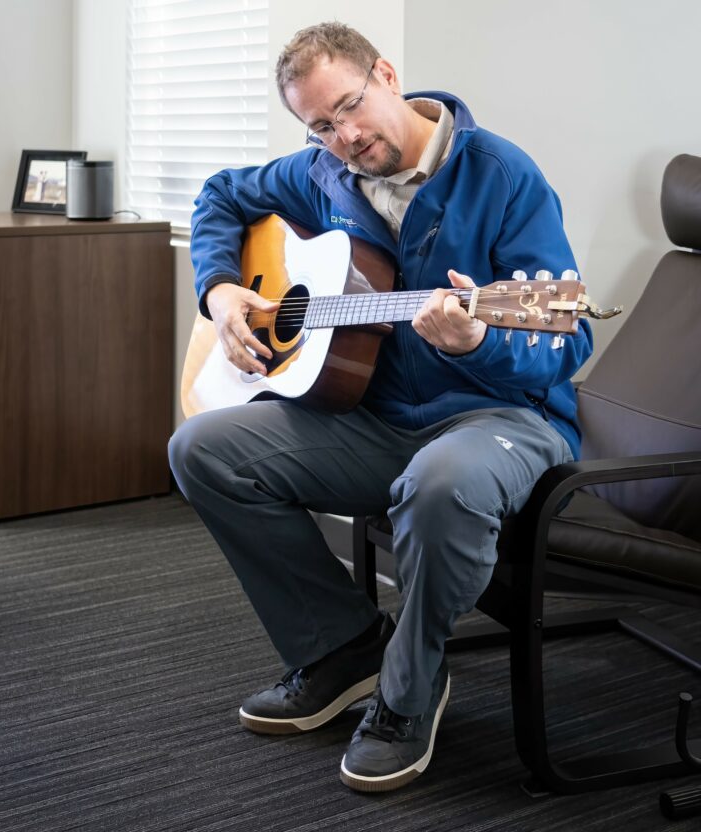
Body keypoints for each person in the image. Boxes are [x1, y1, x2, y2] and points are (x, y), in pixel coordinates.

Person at [169, 21, 593, 793]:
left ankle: (409, 692)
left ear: (388, 76)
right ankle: (342, 649)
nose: (345, 138)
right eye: (321, 127)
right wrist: (221, 288)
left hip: (502, 417)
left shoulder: (502, 175)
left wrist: (476, 343)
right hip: (378, 419)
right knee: (200, 449)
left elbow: (567, 343)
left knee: (441, 482)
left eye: (350, 108)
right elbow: (221, 195)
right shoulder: (321, 174)